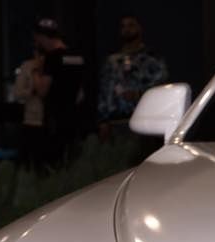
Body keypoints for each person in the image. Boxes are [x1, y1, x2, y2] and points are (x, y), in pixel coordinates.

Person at [96, 13, 168, 144]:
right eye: (123, 26)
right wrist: (103, 121)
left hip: (145, 121)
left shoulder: (152, 59)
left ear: (140, 28)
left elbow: (161, 87)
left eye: (131, 25)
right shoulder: (112, 61)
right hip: (117, 122)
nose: (127, 29)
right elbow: (104, 92)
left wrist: (138, 94)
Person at [31, 17, 88, 168]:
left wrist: (35, 70)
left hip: (55, 120)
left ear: (41, 37)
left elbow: (42, 91)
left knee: (54, 164)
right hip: (75, 118)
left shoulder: (51, 58)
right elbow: (81, 94)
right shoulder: (77, 56)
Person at [10, 43, 47, 170]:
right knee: (28, 164)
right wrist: (31, 91)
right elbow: (17, 93)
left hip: (50, 121)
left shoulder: (54, 66)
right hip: (31, 121)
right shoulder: (28, 66)